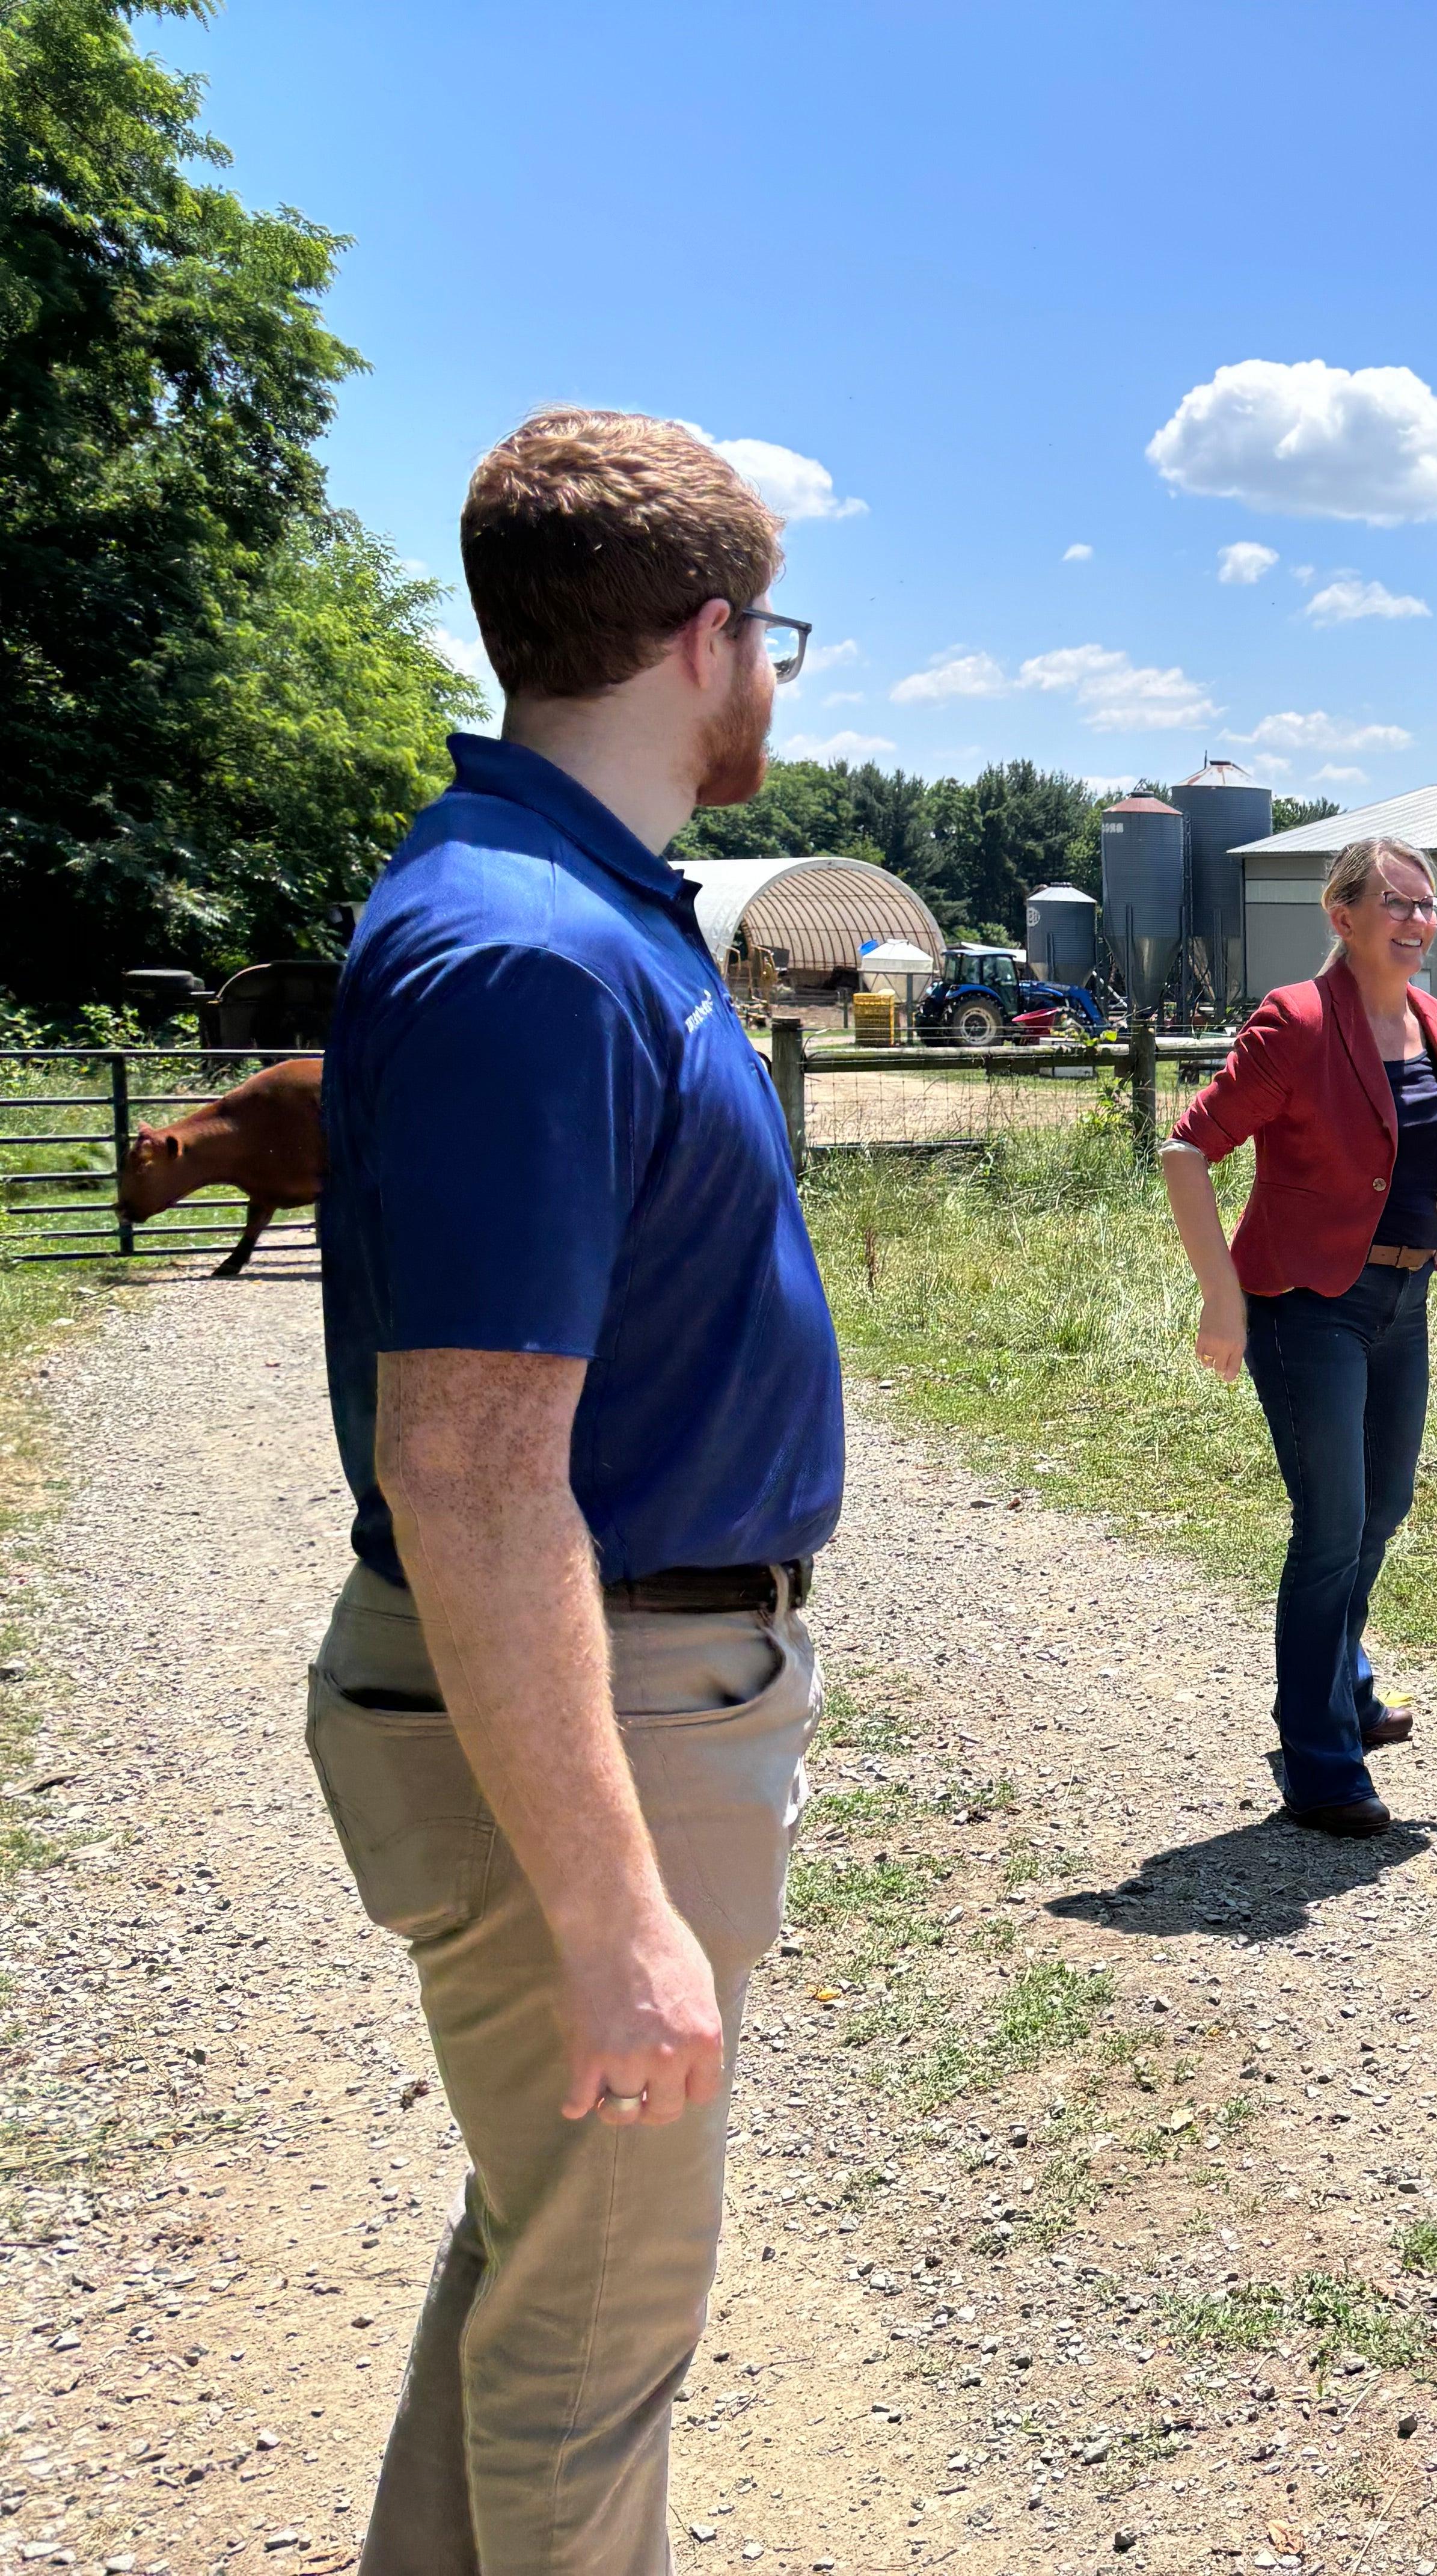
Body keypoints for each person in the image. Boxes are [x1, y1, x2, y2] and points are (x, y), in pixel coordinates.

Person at [307, 409, 839, 2570]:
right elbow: (470, 1471)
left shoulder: (573, 909)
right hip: (596, 1694)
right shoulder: (532, 949)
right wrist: (618, 1913)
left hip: (630, 1673)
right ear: (709, 640)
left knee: (548, 2263)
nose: (776, 679)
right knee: (600, 2319)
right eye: (774, 634)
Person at [1162, 836, 1437, 1835]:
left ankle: (1346, 1680)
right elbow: (1186, 1151)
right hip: (1305, 1308)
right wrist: (1221, 1296)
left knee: (1382, 1511)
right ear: (1343, 916)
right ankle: (1320, 1757)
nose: (1419, 922)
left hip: (1402, 1303)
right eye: (1398, 904)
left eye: (1431, 906)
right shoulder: (1294, 1023)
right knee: (1332, 1525)